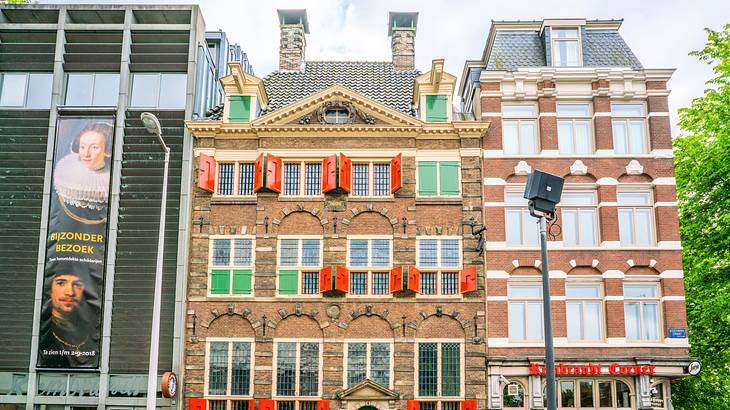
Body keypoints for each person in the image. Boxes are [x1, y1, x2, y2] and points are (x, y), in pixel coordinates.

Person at [52, 121, 113, 224]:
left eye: (94, 147)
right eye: (82, 147)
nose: (86, 154)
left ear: (106, 150)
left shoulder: (110, 179)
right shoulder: (67, 172)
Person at [38, 266, 99, 368]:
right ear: (49, 289)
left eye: (77, 285)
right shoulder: (46, 332)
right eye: (61, 283)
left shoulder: (93, 332)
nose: (70, 292)